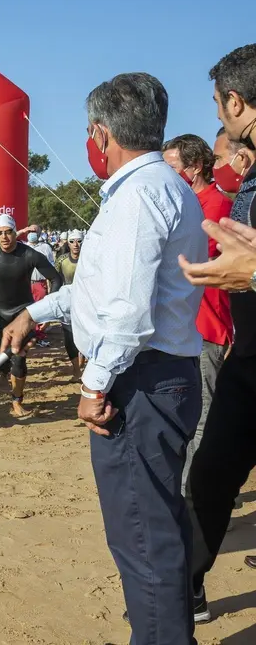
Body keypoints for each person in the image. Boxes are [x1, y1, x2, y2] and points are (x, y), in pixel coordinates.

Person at [1, 72, 205, 642]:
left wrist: (93, 387)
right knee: (150, 529)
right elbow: (97, 287)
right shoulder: (152, 187)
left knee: (143, 535)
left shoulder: (140, 195)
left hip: (140, 380)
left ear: (101, 133)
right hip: (154, 372)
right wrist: (34, 314)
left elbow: (125, 311)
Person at [179, 44, 256, 617]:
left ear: (236, 101)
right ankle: (184, 594)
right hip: (248, 362)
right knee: (207, 477)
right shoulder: (247, 181)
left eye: (218, 104)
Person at [162, 133, 234, 495]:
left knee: (203, 414)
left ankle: (194, 492)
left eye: (172, 166)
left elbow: (188, 258)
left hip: (208, 326)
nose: (165, 173)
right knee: (185, 413)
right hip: (184, 325)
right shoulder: (188, 202)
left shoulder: (214, 205)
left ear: (193, 168)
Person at [0, 214, 62, 417]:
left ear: (14, 232)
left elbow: (56, 279)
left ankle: (16, 400)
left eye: (8, 232)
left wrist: (43, 311)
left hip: (22, 313)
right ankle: (5, 374)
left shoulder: (29, 255)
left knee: (18, 357)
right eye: (0, 233)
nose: (4, 237)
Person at [54, 230, 85, 381]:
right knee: (69, 337)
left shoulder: (89, 259)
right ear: (68, 243)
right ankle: (76, 369)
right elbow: (56, 280)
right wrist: (54, 297)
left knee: (86, 335)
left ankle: (84, 360)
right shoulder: (62, 260)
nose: (76, 245)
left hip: (87, 303)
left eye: (79, 241)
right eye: (72, 241)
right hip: (68, 303)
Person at [27, 231, 56, 346]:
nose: (32, 233)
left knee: (40, 310)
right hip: (27, 283)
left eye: (35, 231)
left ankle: (39, 335)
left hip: (40, 283)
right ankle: (32, 334)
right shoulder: (24, 246)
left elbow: (51, 265)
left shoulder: (45, 247)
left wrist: (49, 284)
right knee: (29, 310)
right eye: (30, 231)